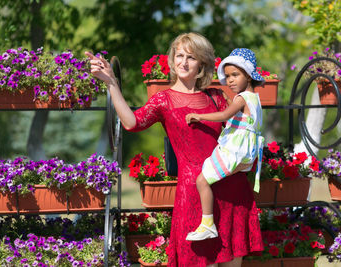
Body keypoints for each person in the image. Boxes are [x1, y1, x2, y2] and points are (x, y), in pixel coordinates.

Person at [86, 32, 263, 267]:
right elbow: (131, 122)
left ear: (202, 63)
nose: (184, 62)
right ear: (172, 60)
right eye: (179, 55)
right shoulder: (163, 100)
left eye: (191, 57)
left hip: (231, 189)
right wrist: (111, 83)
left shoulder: (216, 97)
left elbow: (243, 132)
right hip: (193, 196)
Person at [185, 48, 265, 242]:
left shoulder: (242, 98)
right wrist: (229, 101)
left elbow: (223, 116)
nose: (230, 80)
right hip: (248, 153)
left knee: (201, 180)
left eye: (235, 75)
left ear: (248, 75)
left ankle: (207, 224)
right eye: (228, 76)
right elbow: (244, 118)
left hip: (234, 150)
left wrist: (199, 116)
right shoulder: (255, 99)